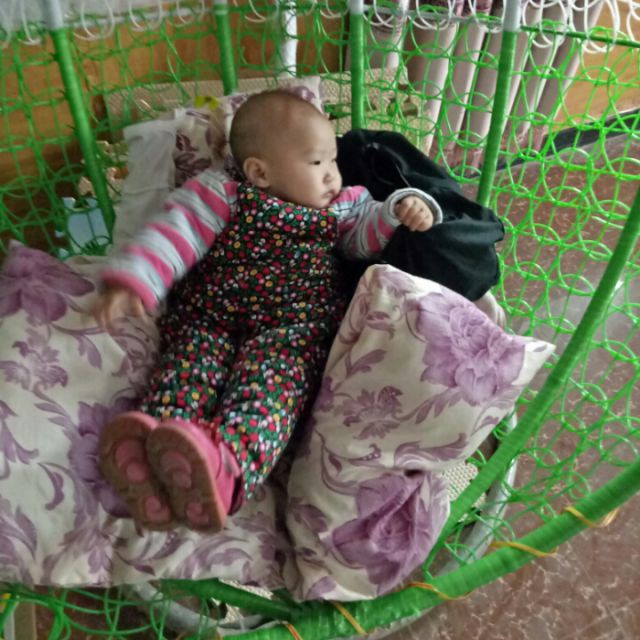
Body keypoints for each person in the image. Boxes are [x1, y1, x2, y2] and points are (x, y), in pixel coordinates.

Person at [94, 89, 443, 532]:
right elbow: (175, 232)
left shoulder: (342, 205)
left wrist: (397, 210)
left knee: (270, 391)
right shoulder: (221, 192)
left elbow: (364, 241)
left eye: (333, 161)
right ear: (259, 172)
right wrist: (136, 278)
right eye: (317, 163)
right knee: (185, 370)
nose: (332, 175)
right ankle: (155, 457)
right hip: (211, 317)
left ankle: (227, 467)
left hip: (291, 328)